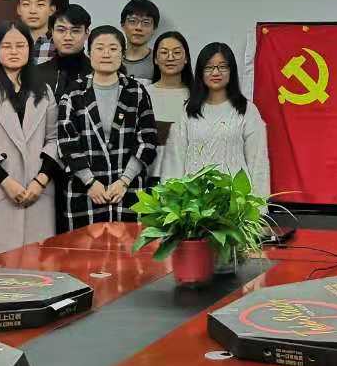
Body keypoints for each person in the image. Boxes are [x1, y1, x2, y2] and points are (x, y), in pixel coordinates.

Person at [0, 21, 61, 256]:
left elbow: (55, 139)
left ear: (30, 49)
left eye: (21, 45)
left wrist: (40, 181)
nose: (14, 51)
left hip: (37, 194)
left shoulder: (44, 91)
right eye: (7, 46)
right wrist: (7, 182)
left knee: (36, 268)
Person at [58, 26, 159, 229]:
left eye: (113, 49)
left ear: (122, 54)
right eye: (100, 48)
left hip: (128, 190)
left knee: (129, 247)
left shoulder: (136, 91)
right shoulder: (74, 92)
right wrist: (90, 182)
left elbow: (147, 140)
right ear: (89, 53)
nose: (106, 54)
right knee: (85, 248)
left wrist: (124, 181)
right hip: (85, 191)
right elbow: (67, 143)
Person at [165, 43, 270, 196]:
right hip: (194, 201)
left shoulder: (247, 110)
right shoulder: (188, 110)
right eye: (209, 67)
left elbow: (258, 163)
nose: (215, 72)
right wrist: (171, 200)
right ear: (200, 72)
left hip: (235, 202)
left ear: (231, 70)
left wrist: (258, 205)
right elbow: (175, 160)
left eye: (222, 67)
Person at [146, 31, 192, 179]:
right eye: (164, 52)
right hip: (149, 178)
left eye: (177, 52)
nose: (170, 57)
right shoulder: (143, 94)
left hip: (188, 179)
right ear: (155, 59)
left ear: (186, 58)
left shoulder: (196, 96)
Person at [42, 4, 92, 99]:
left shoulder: (96, 73)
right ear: (52, 32)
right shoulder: (36, 74)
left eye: (75, 31)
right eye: (61, 30)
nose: (68, 37)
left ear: (87, 33)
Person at [16, 0, 59, 64]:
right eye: (26, 4)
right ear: (19, 9)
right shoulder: (8, 42)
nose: (33, 11)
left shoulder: (60, 42)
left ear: (51, 10)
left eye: (40, 4)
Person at [119, 0, 161, 80]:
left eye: (146, 23)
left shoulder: (160, 63)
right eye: (132, 21)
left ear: (154, 28)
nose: (139, 27)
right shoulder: (110, 59)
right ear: (123, 25)